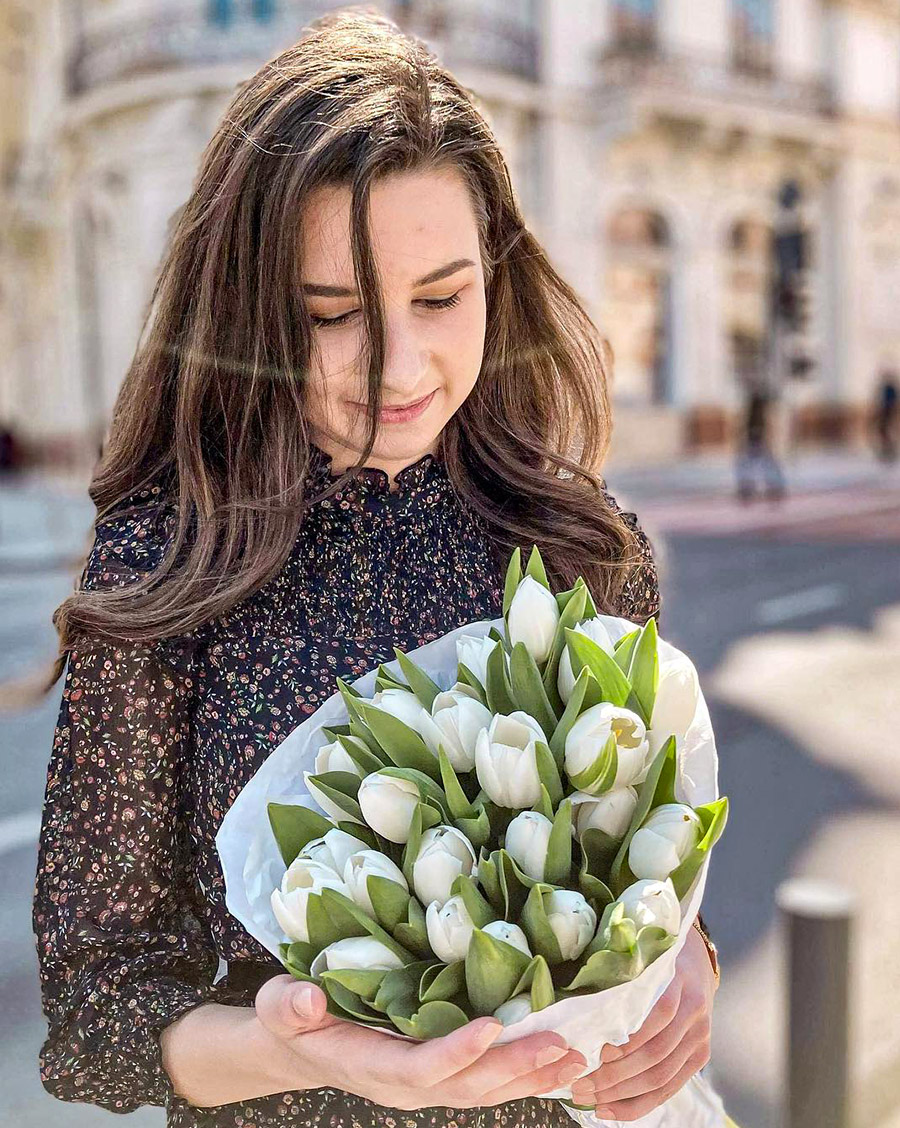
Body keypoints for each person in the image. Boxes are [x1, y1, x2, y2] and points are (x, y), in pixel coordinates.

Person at [32, 10, 720, 1128]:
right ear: (246, 314)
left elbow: (646, 876)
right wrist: (295, 1049)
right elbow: (94, 1021)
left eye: (442, 298)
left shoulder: (581, 544)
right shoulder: (167, 561)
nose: (397, 366)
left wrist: (688, 959)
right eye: (332, 315)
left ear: (498, 276)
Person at [735, 386, 787, 502]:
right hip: (755, 440)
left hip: (756, 440)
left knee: (753, 465)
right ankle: (768, 488)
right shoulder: (757, 412)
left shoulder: (756, 412)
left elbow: (747, 427)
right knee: (764, 465)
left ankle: (751, 489)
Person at [873, 368, 898, 463]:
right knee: (882, 430)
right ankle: (887, 449)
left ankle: (889, 449)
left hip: (889, 410)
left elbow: (892, 400)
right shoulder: (887, 387)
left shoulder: (890, 387)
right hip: (884, 410)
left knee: (886, 430)